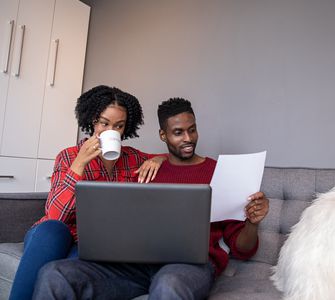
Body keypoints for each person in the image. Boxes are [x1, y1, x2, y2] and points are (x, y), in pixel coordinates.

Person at [32, 97, 269, 300]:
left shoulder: (219, 172)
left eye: (192, 129)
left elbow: (242, 249)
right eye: (178, 132)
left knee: (168, 285)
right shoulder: (144, 170)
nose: (188, 138)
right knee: (54, 274)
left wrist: (252, 222)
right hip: (133, 267)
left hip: (187, 267)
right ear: (163, 135)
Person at [9, 85, 166, 300]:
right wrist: (79, 164)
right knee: (51, 229)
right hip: (58, 233)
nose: (112, 130)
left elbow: (173, 158)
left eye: (119, 126)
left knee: (67, 272)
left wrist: (158, 159)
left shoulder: (134, 158)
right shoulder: (68, 156)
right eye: (104, 123)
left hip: (92, 243)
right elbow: (55, 215)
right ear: (92, 120)